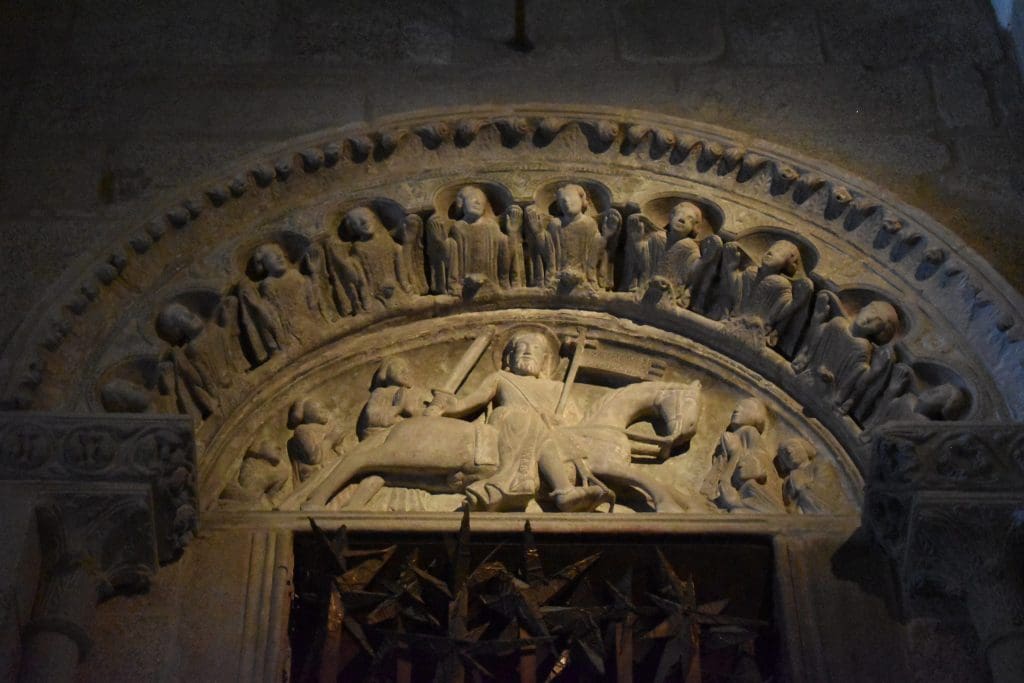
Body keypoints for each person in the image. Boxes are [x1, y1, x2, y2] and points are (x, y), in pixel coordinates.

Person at [426, 327, 607, 511]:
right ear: (509, 357)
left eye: (535, 348)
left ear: (545, 360)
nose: (528, 351)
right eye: (522, 347)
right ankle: (515, 484)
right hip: (509, 422)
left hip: (543, 430)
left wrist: (559, 421)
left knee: (541, 431)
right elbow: (473, 401)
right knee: (527, 418)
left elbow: (575, 425)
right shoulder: (500, 378)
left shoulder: (557, 388)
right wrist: (445, 408)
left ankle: (564, 491)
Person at [700, 398, 781, 513]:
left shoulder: (749, 431)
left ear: (757, 416)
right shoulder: (734, 435)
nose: (737, 409)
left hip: (738, 491)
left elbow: (757, 457)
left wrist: (735, 452)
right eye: (737, 406)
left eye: (745, 407)